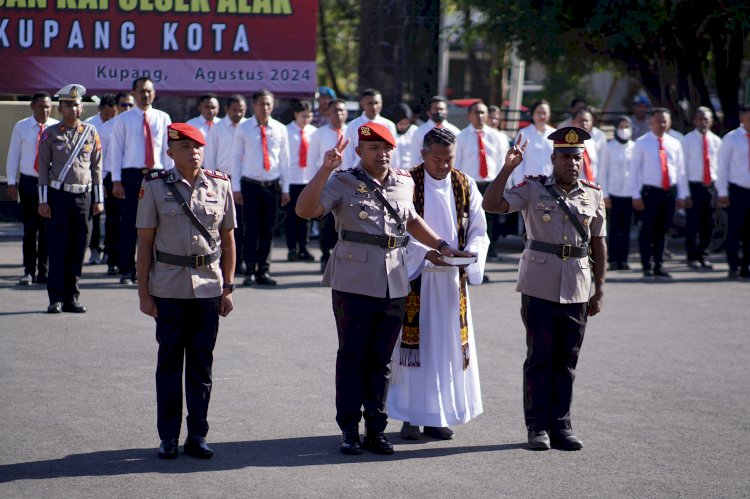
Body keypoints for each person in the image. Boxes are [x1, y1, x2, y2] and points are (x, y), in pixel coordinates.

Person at [295, 122, 474, 456]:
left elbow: (411, 219)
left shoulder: (404, 182)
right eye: (374, 148)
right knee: (352, 357)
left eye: (387, 148)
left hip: (394, 280)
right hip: (353, 281)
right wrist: (324, 169)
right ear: (360, 151)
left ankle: (375, 428)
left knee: (381, 360)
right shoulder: (343, 180)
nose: (382, 154)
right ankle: (349, 429)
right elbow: (306, 210)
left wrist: (442, 245)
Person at [483, 126, 607, 451]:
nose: (572, 163)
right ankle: (537, 427)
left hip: (578, 286)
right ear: (553, 158)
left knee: (567, 359)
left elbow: (599, 244)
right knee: (540, 357)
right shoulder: (533, 188)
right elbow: (492, 204)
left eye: (577, 158)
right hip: (538, 285)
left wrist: (600, 289)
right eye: (565, 157)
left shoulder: (593, 194)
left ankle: (561, 425)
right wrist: (508, 168)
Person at [136, 123, 236, 460]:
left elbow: (229, 241)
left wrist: (229, 286)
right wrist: (144, 293)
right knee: (169, 365)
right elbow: (145, 243)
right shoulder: (154, 187)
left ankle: (197, 435)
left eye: (197, 147)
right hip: (168, 287)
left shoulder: (220, 185)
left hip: (208, 286)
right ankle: (168, 437)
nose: (193, 152)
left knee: (201, 366)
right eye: (184, 147)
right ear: (170, 152)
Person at [387, 127, 489, 441]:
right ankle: (410, 418)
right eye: (436, 159)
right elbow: (398, 228)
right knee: (414, 352)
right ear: (422, 155)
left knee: (446, 351)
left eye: (449, 159)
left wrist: (471, 253)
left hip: (451, 282)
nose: (443, 166)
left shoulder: (465, 184)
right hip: (418, 277)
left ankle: (437, 415)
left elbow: (479, 229)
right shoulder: (407, 182)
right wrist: (425, 254)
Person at [37, 84, 103, 313]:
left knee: (78, 249)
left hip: (83, 198)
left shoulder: (91, 132)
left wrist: (99, 199)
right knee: (57, 248)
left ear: (82, 107)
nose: (73, 109)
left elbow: (97, 168)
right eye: (68, 105)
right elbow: (43, 169)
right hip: (58, 197)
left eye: (76, 104)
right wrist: (43, 201)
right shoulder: (51, 133)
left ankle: (71, 298)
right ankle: (55, 298)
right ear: (60, 108)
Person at [109, 77, 173, 286]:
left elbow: (168, 151)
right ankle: (127, 270)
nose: (145, 95)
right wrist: (116, 181)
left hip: (157, 175)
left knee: (158, 224)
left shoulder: (163, 117)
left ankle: (154, 270)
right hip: (131, 175)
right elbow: (116, 151)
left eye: (149, 91)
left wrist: (172, 178)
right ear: (134, 93)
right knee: (129, 224)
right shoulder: (123, 119)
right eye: (141, 91)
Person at [231, 89, 290, 286]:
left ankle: (263, 271)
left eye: (268, 104)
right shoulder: (244, 128)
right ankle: (249, 269)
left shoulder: (280, 129)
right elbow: (236, 157)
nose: (265, 108)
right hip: (250, 185)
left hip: (272, 185)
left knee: (268, 230)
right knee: (250, 229)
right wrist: (236, 187)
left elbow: (284, 160)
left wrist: (286, 189)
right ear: (254, 105)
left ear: (272, 106)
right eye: (261, 104)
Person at [630, 108, 689, 279]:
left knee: (663, 230)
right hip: (649, 191)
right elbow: (634, 171)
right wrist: (636, 195)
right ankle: (646, 265)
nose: (662, 124)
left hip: (669, 191)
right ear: (651, 122)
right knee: (647, 229)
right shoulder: (641, 143)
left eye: (665, 121)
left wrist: (682, 195)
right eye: (658, 121)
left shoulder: (675, 143)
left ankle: (659, 264)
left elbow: (680, 170)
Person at [5, 92, 57, 286]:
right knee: (30, 229)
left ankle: (44, 271)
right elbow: (13, 155)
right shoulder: (22, 126)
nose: (44, 110)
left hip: (49, 183)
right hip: (28, 182)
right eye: (41, 106)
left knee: (46, 229)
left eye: (48, 106)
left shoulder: (55, 127)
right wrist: (12, 181)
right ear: (32, 106)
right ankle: (29, 270)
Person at [455, 101, 510, 262]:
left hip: (491, 183)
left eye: (482, 113)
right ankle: (467, 253)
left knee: (490, 220)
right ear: (469, 115)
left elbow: (501, 162)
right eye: (476, 113)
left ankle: (488, 252)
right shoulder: (461, 137)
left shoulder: (497, 136)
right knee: (469, 220)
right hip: (470, 184)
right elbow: (457, 163)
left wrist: (503, 184)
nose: (480, 116)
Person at [203, 94, 248, 274]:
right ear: (227, 110)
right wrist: (210, 183)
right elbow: (211, 157)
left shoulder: (248, 126)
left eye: (241, 110)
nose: (237, 113)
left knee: (243, 223)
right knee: (221, 223)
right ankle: (220, 260)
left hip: (245, 180)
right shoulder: (218, 128)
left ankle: (242, 260)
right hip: (222, 179)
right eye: (234, 110)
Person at [307, 98, 348, 273]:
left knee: (346, 223)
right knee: (327, 224)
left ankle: (344, 258)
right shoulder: (319, 134)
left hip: (349, 185)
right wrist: (312, 188)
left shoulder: (352, 131)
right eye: (334, 111)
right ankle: (325, 256)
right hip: (327, 185)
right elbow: (311, 162)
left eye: (341, 110)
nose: (338, 114)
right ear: (327, 113)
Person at [681, 107, 722, 269]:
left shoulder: (717, 141)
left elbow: (720, 167)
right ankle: (692, 257)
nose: (703, 122)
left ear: (711, 121)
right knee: (693, 223)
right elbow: (682, 168)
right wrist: (684, 193)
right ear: (694, 121)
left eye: (706, 119)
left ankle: (704, 255)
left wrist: (719, 190)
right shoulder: (687, 141)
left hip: (711, 186)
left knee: (709, 223)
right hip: (694, 186)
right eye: (700, 119)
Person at [716, 106, 750, 280]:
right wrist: (722, 191)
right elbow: (722, 166)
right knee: (735, 230)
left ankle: (746, 266)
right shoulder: (732, 138)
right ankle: (733, 266)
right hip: (737, 190)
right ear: (742, 118)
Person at [85, 93, 119, 268]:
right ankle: (95, 249)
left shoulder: (119, 123)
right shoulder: (90, 124)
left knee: (113, 216)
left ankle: (110, 251)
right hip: (94, 175)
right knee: (94, 215)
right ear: (100, 110)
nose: (109, 118)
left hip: (114, 176)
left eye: (112, 114)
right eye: (106, 114)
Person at [599, 116, 635, 270]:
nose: (624, 130)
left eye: (627, 126)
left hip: (630, 193)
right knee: (614, 228)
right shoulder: (609, 147)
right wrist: (605, 194)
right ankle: (613, 258)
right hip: (613, 193)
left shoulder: (635, 147)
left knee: (626, 228)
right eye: (621, 126)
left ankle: (624, 259)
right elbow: (602, 172)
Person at [285, 100, 317, 261]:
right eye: (304, 116)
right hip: (291, 179)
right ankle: (292, 248)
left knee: (306, 217)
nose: (307, 119)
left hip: (308, 180)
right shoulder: (286, 131)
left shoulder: (314, 132)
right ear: (296, 114)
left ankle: (304, 247)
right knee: (292, 217)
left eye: (310, 116)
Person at [342, 88, 400, 169]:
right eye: (370, 103)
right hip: (358, 173)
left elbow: (394, 152)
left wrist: (395, 173)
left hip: (383, 172)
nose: (374, 107)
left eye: (377, 103)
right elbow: (348, 154)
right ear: (362, 104)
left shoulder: (389, 125)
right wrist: (347, 176)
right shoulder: (353, 125)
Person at [511, 99, 555, 186]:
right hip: (529, 184)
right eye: (538, 112)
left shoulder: (554, 134)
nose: (542, 116)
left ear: (549, 115)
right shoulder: (523, 133)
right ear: (532, 114)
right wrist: (519, 184)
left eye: (544, 113)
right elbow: (518, 162)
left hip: (551, 183)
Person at [408, 96, 461, 167]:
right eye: (435, 109)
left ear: (446, 111)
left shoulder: (455, 131)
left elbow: (458, 157)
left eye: (441, 109)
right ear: (429, 112)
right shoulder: (419, 132)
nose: (439, 112)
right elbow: (415, 156)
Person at [383, 102, 418, 168]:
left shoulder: (414, 131)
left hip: (410, 171)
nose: (404, 126)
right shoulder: (389, 130)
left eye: (407, 123)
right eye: (401, 123)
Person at [571, 108, 599, 182]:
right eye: (581, 120)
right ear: (573, 122)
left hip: (591, 187)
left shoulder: (592, 143)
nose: (584, 123)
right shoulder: (568, 143)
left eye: (587, 121)